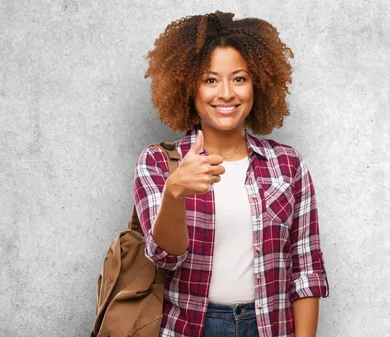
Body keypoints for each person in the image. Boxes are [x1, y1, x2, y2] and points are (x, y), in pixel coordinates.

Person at [133, 11, 329, 337]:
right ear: (188, 87)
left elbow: (305, 267)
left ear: (257, 85)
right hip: (192, 327)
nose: (226, 93)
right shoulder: (158, 162)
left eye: (239, 78)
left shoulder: (288, 165)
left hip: (268, 326)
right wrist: (174, 192)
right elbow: (166, 257)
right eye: (210, 80)